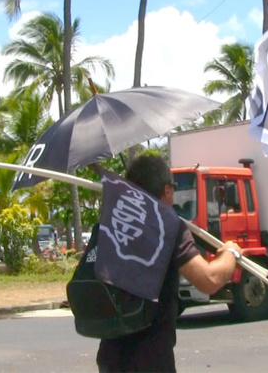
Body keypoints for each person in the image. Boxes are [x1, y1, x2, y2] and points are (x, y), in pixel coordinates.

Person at [96, 155, 242, 372]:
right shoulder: (167, 226)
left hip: (110, 358)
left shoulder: (109, 225)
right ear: (167, 190)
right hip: (151, 359)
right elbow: (209, 280)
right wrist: (231, 252)